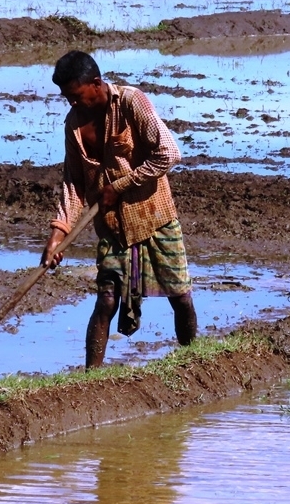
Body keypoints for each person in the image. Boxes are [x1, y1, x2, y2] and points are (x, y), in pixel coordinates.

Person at [42, 50, 197, 369]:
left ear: (96, 84)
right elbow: (74, 183)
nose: (72, 104)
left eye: (77, 96)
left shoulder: (131, 102)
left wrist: (121, 185)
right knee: (107, 300)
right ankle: (89, 379)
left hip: (154, 217)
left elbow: (169, 153)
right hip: (112, 227)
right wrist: (58, 234)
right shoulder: (73, 125)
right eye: (67, 98)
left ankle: (193, 361)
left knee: (179, 295)